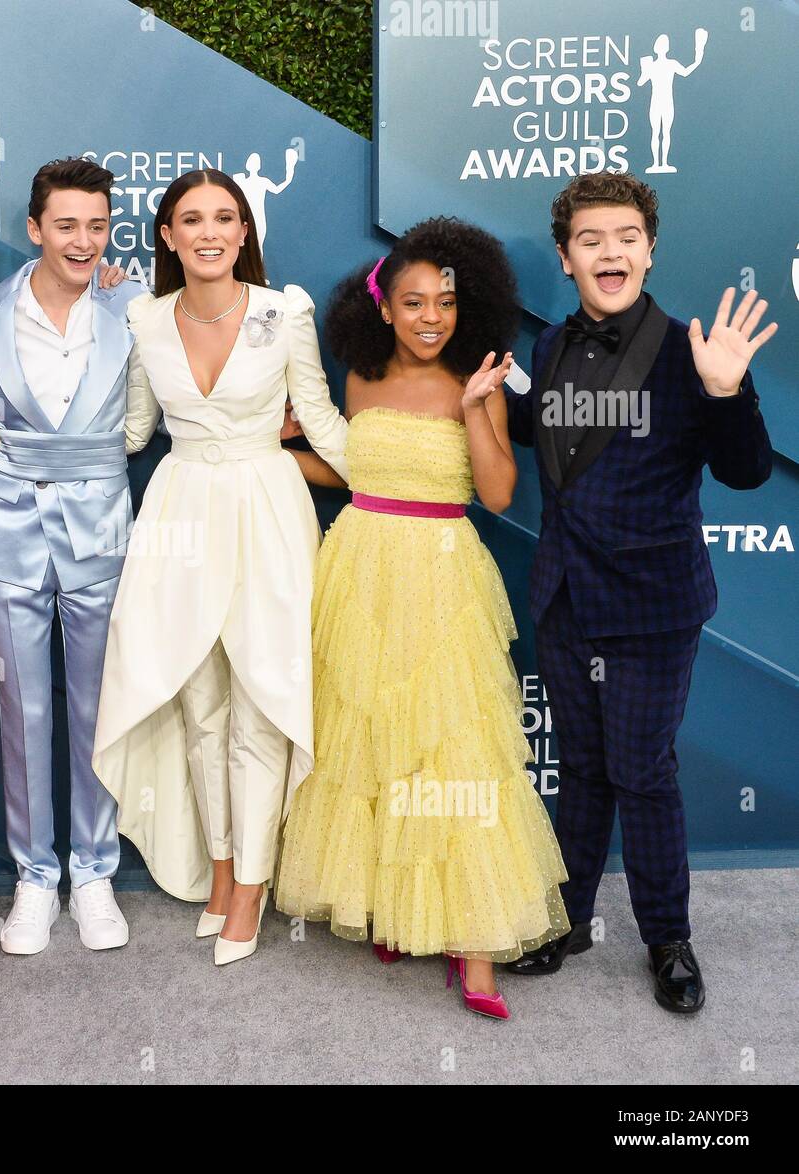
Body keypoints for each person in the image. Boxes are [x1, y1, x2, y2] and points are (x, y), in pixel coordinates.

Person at [275, 218, 570, 1018]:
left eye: (444, 301)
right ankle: (389, 909)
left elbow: (501, 493)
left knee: (456, 750)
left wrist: (477, 408)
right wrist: (267, 446)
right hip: (361, 565)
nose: (431, 317)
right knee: (367, 740)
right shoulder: (360, 381)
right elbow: (349, 472)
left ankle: (475, 949)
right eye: (414, 303)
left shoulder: (476, 378)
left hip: (442, 575)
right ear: (383, 309)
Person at [503, 173, 775, 1014]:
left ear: (649, 250)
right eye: (591, 239)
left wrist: (727, 392)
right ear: (566, 256)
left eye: (626, 236)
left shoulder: (694, 349)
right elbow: (552, 441)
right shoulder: (548, 348)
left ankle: (668, 940)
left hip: (653, 606)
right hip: (564, 598)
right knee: (581, 768)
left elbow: (747, 470)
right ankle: (568, 920)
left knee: (643, 772)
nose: (609, 251)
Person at [92, 168, 351, 966]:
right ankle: (223, 866)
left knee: (263, 700)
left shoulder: (287, 311)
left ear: (245, 233)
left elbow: (320, 418)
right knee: (200, 704)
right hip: (178, 515)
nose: (210, 231)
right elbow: (133, 432)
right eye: (191, 219)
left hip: (268, 510)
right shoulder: (140, 317)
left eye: (225, 218)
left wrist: (398, 478)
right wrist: (29, 445)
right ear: (166, 236)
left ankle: (253, 888)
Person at [0, 158, 142, 955]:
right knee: (22, 706)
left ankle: (94, 872)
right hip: (9, 523)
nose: (83, 241)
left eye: (96, 226)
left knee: (98, 702)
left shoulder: (136, 307)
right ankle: (36, 878)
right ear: (34, 228)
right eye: (66, 225)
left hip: (101, 525)